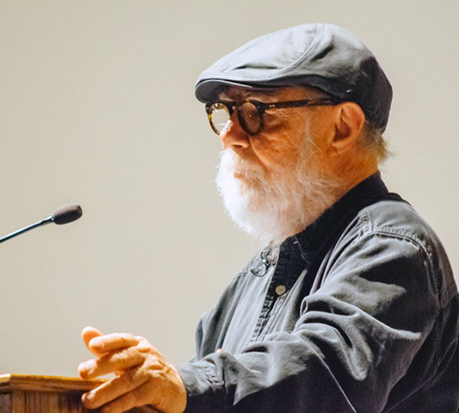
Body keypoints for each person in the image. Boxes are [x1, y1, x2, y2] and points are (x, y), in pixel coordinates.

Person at [77, 23, 459, 412]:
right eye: (226, 112)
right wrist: (149, 391)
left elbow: (325, 376)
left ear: (342, 128)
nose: (229, 136)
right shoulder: (248, 285)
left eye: (255, 113)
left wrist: (187, 384)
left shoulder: (392, 247)